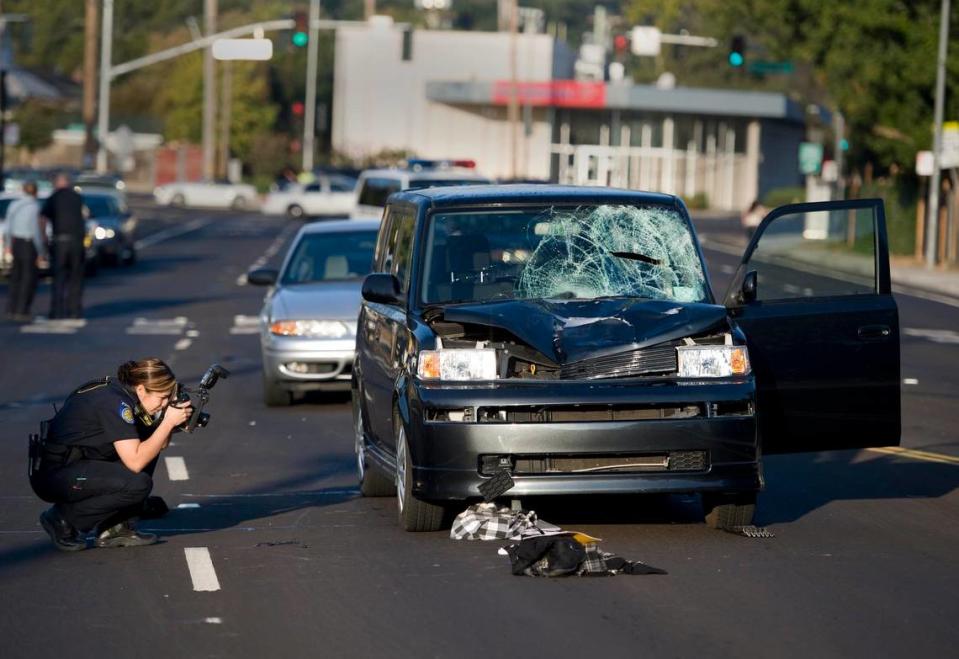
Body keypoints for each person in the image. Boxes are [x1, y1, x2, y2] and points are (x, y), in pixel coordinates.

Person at [31, 358, 192, 551]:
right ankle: (63, 519)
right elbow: (135, 462)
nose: (164, 403)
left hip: (80, 464)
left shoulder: (124, 392)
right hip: (58, 476)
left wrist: (169, 419)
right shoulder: (116, 404)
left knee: (150, 445)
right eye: (162, 397)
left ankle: (115, 528)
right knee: (138, 484)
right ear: (141, 389)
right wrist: (167, 423)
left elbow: (158, 445)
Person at [41, 173, 86, 319]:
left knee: (59, 276)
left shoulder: (54, 198)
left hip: (60, 241)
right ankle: (74, 310)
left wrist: (43, 239)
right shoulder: (77, 197)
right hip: (76, 242)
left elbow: (43, 217)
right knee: (75, 277)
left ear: (57, 183)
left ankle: (56, 310)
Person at [4, 181, 45, 321]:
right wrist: (40, 252)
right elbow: (35, 231)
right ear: (35, 192)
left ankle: (11, 308)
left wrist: (8, 245)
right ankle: (22, 310)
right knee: (28, 279)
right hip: (29, 244)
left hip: (16, 243)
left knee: (15, 277)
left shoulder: (14, 205)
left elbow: (8, 228)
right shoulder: (34, 206)